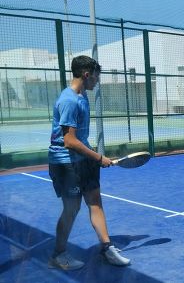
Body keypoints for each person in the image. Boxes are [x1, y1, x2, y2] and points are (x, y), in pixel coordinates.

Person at [48, 55, 130, 270]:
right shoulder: (69, 100)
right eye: (96, 76)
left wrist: (92, 158)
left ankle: (106, 248)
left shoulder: (82, 95)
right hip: (66, 163)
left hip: (83, 160)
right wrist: (98, 157)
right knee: (71, 209)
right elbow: (69, 141)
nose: (97, 80)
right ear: (86, 74)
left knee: (95, 202)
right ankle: (58, 255)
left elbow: (78, 140)